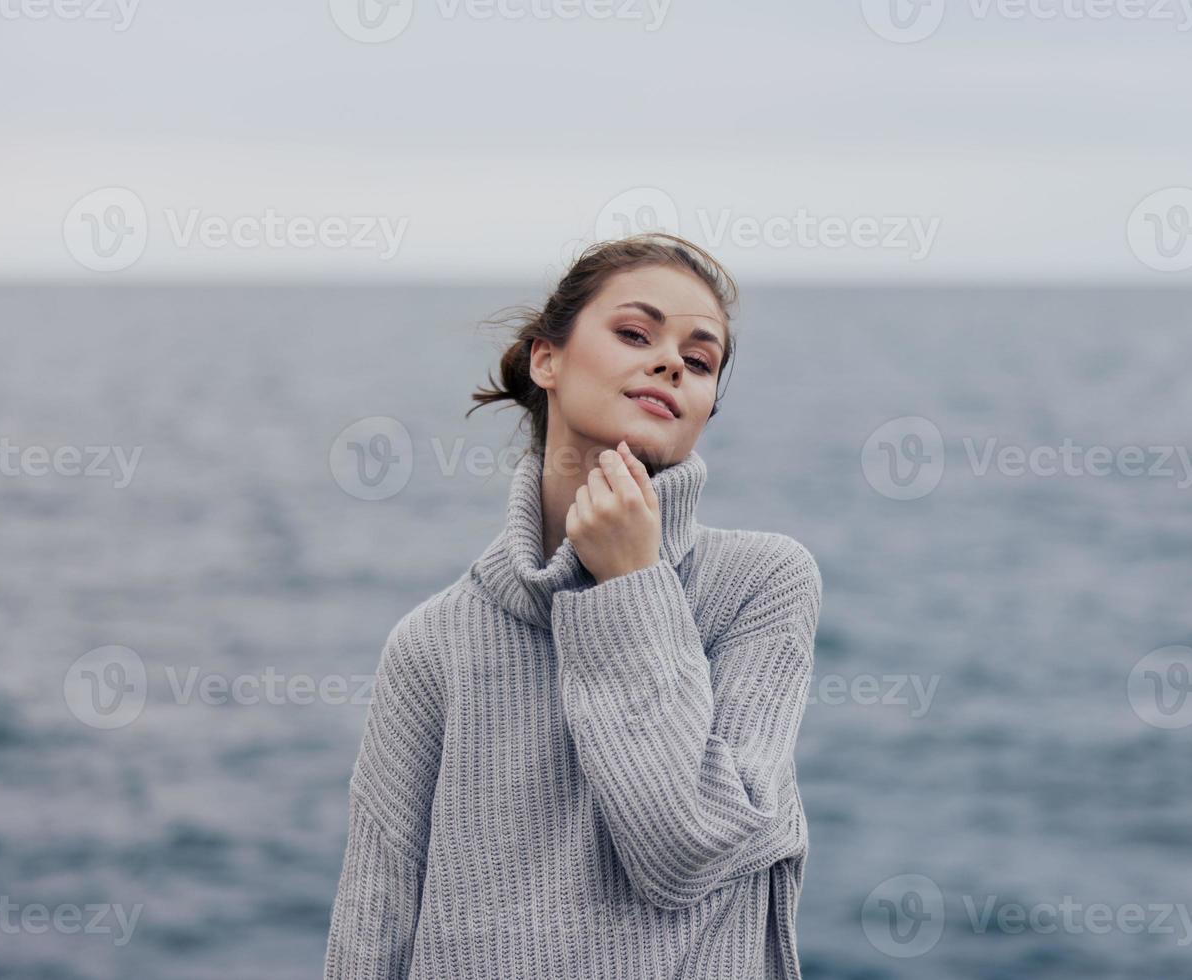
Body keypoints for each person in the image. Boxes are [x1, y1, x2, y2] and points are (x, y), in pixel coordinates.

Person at [323, 233, 824, 979]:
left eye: (700, 359)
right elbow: (372, 935)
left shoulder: (763, 584)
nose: (669, 364)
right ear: (545, 359)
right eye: (634, 333)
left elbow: (687, 852)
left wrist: (629, 584)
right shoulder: (431, 644)